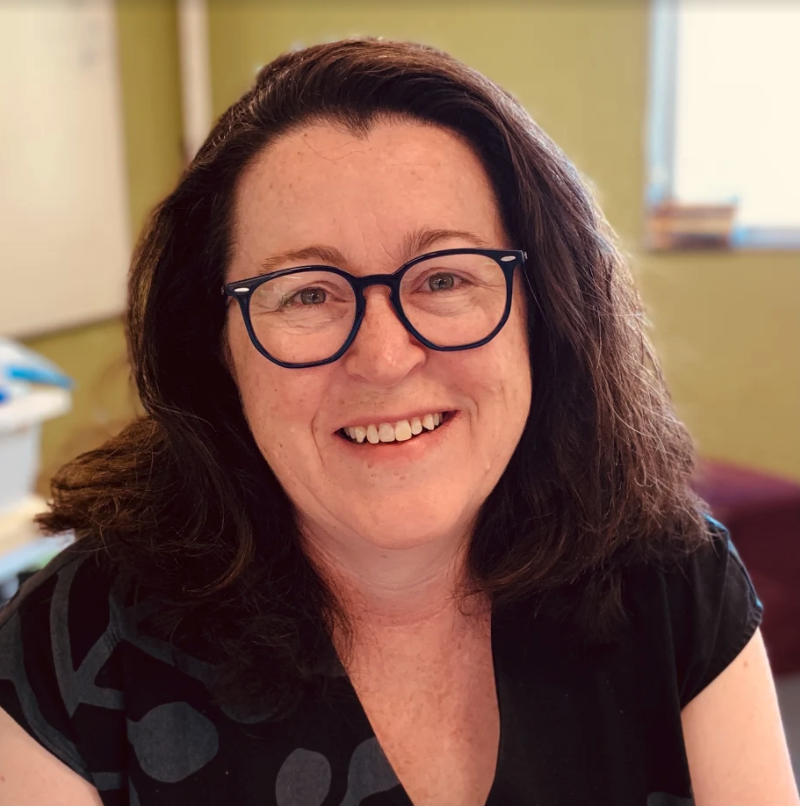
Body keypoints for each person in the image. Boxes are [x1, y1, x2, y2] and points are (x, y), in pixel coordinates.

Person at [0, 37, 797, 806]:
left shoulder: (675, 586)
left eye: (445, 278)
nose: (384, 358)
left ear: (547, 314)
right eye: (307, 293)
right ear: (216, 348)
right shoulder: (69, 655)